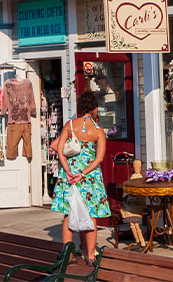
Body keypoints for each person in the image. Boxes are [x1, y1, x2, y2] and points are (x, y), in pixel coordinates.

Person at [51, 91, 110, 264]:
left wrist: (69, 170)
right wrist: (82, 173)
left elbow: (59, 149)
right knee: (91, 215)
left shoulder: (70, 125)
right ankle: (90, 256)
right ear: (94, 108)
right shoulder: (98, 130)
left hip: (69, 176)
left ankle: (68, 254)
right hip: (89, 177)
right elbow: (99, 158)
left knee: (69, 214)